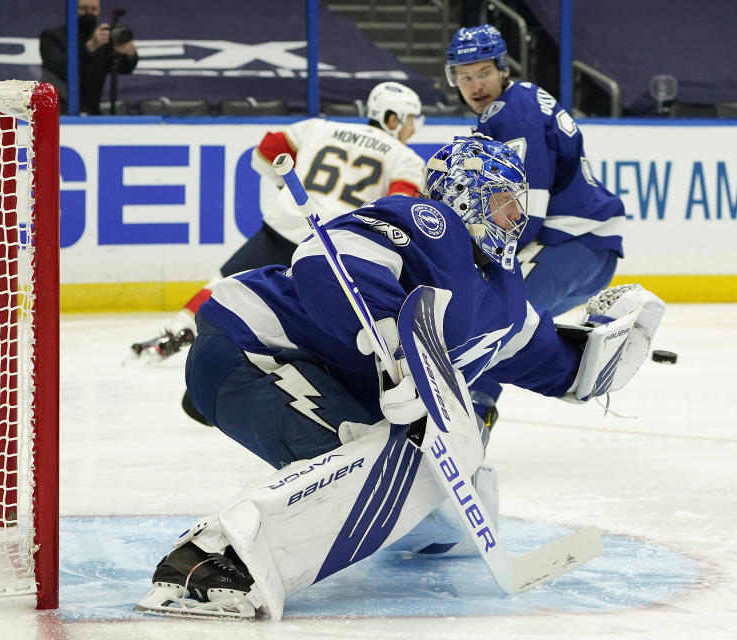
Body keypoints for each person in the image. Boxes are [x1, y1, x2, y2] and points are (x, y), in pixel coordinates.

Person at [135, 134, 665, 620]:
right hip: (252, 344)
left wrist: (611, 348)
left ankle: (422, 533)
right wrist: (394, 342)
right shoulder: (431, 224)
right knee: (381, 451)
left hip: (303, 371)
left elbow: (562, 369)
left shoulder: (508, 300)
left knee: (430, 463)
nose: (516, 217)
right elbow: (323, 261)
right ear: (467, 195)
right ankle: (209, 560)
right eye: (505, 201)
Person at [130, 82, 426, 370]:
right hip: (331, 244)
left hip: (284, 225)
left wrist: (289, 188)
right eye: (411, 120)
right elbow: (397, 207)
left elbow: (265, 151)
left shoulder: (320, 127)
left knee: (222, 285)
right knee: (316, 315)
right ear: (392, 119)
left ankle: (174, 331)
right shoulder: (406, 158)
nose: (413, 129)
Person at [444, 24, 628, 426]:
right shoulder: (522, 101)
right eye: (465, 77)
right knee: (506, 327)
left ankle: (469, 422)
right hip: (586, 250)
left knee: (492, 324)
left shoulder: (508, 113)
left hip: (567, 244)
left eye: (483, 73)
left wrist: (479, 261)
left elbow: (525, 210)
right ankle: (597, 336)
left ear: (502, 69)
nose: (475, 85)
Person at [39, 0, 138, 115]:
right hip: (58, 113)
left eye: (93, 9)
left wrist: (130, 53)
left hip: (92, 113)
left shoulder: (104, 40)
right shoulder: (52, 37)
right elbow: (56, 67)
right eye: (84, 8)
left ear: (99, 10)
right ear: (72, 10)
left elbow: (124, 68)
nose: (88, 13)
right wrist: (89, 47)